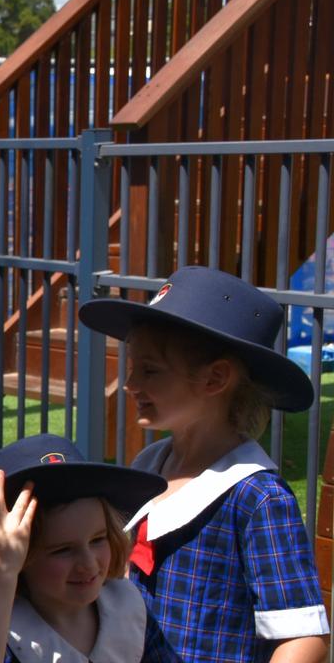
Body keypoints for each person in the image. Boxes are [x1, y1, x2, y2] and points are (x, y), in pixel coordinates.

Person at [79, 266, 330, 663]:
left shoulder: (257, 498)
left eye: (150, 370)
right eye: (132, 368)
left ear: (215, 379)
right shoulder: (150, 464)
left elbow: (302, 639)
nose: (129, 384)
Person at [0, 434, 178, 662]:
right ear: (19, 561)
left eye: (97, 540)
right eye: (62, 550)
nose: (88, 563)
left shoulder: (126, 608)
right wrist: (0, 572)